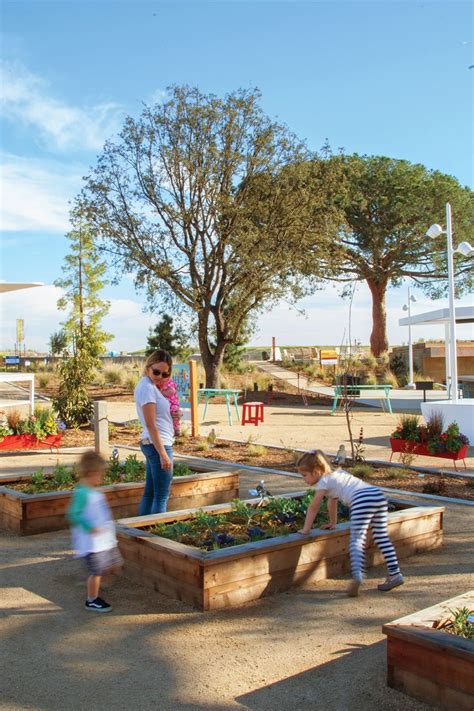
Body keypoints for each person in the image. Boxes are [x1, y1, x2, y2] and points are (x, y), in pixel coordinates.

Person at [296, 449, 404, 597]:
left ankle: (358, 576)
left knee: (356, 539)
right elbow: (331, 503)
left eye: (304, 475)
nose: (304, 479)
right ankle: (395, 573)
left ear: (316, 471)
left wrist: (306, 529)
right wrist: (332, 523)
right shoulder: (339, 475)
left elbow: (314, 507)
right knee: (381, 536)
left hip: (361, 499)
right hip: (377, 495)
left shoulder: (323, 482)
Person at [67, 450, 122, 612]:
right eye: (100, 474)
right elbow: (73, 514)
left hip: (104, 540)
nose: (101, 478)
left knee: (115, 564)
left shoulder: (92, 491)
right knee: (97, 571)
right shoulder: (82, 493)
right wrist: (89, 527)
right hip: (93, 542)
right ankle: (92, 599)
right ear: (91, 473)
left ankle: (95, 582)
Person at [134, 350, 174, 515]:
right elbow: (151, 425)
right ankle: (158, 534)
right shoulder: (148, 388)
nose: (160, 376)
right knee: (161, 496)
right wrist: (163, 454)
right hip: (158, 444)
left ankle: (142, 530)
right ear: (148, 367)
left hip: (154, 443)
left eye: (165, 374)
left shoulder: (148, 386)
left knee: (151, 493)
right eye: (156, 372)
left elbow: (156, 417)